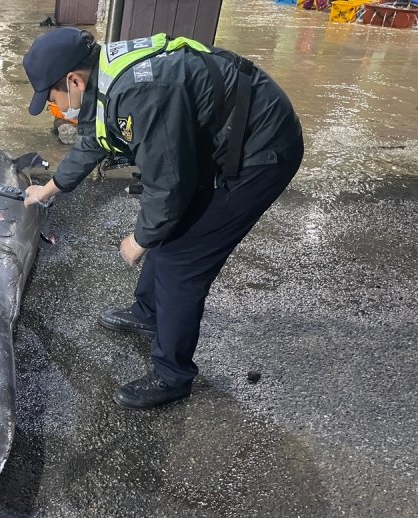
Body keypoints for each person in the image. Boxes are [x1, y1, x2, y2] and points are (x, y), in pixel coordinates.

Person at [21, 28, 303, 409]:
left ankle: (172, 375)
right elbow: (93, 140)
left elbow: (168, 186)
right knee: (169, 235)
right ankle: (149, 312)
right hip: (227, 135)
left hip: (262, 150)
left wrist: (139, 240)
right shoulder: (104, 77)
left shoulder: (138, 93)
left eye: (53, 99)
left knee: (181, 259)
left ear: (74, 81)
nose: (54, 108)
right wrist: (49, 189)